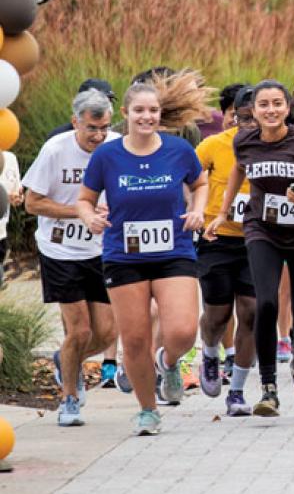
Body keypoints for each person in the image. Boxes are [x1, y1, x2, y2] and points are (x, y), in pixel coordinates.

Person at [76, 82, 208, 436]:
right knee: (134, 340)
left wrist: (198, 211)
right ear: (126, 115)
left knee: (183, 329)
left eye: (153, 111)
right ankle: (148, 409)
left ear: (160, 115)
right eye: (139, 111)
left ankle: (168, 363)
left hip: (174, 250)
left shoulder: (179, 150)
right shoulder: (107, 155)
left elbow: (200, 183)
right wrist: (90, 217)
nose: (146, 117)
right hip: (124, 256)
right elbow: (85, 198)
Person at [206, 80, 294, 418]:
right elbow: (238, 170)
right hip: (262, 227)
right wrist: (222, 212)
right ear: (254, 110)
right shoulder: (245, 139)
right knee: (265, 302)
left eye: (278, 103)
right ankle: (268, 388)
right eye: (264, 105)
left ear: (288, 107)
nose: (271, 110)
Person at [24, 90, 120, 426]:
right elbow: (32, 203)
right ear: (75, 120)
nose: (98, 136)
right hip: (60, 248)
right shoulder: (55, 149)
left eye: (104, 128)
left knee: (107, 334)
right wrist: (79, 212)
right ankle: (69, 399)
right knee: (78, 331)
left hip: (103, 250)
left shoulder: (117, 146)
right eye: (92, 128)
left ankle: (64, 359)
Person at [193, 84, 258, 415]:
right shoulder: (213, 145)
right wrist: (193, 211)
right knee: (218, 314)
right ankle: (209, 351)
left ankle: (237, 391)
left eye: (253, 118)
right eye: (241, 117)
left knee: (251, 311)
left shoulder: (273, 145)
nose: (247, 124)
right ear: (231, 115)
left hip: (256, 240)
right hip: (216, 239)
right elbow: (187, 178)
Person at [45, 79, 117, 139]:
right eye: (97, 101)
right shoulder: (58, 138)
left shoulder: (116, 136)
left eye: (109, 101)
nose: (105, 105)